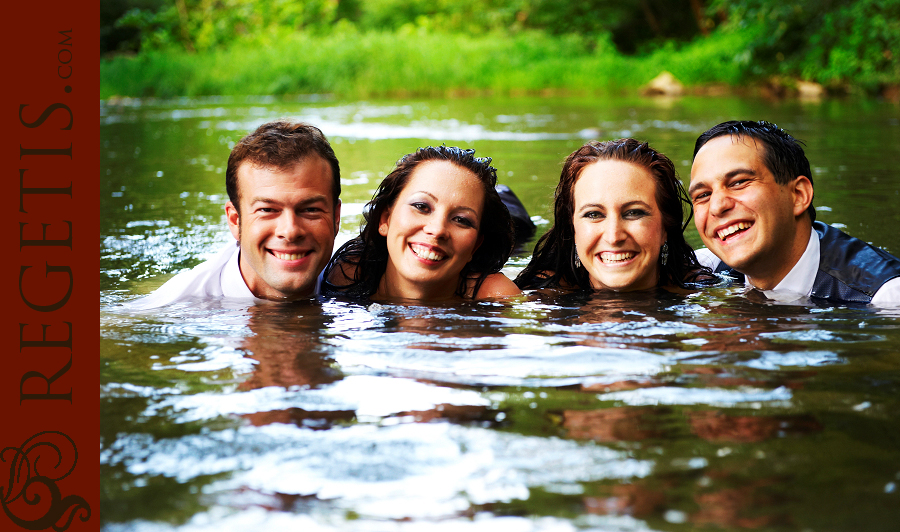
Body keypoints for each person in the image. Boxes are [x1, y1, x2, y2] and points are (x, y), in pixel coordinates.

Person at [124, 120, 342, 309]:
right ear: (235, 221)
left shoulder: (357, 273)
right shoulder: (175, 304)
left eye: (310, 210)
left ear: (336, 217)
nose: (290, 231)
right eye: (267, 210)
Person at [689, 120, 900, 305]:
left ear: (798, 195)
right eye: (703, 195)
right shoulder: (704, 268)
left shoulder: (887, 297)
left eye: (739, 182)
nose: (717, 206)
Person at [321, 146, 521, 301]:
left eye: (461, 220)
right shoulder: (348, 275)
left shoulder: (495, 296)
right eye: (421, 206)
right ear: (385, 219)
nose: (437, 230)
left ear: (476, 245)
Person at [516, 138, 711, 292]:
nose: (614, 236)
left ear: (666, 227)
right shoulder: (535, 298)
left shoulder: (707, 295)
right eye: (593, 214)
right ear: (572, 229)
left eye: (634, 213)